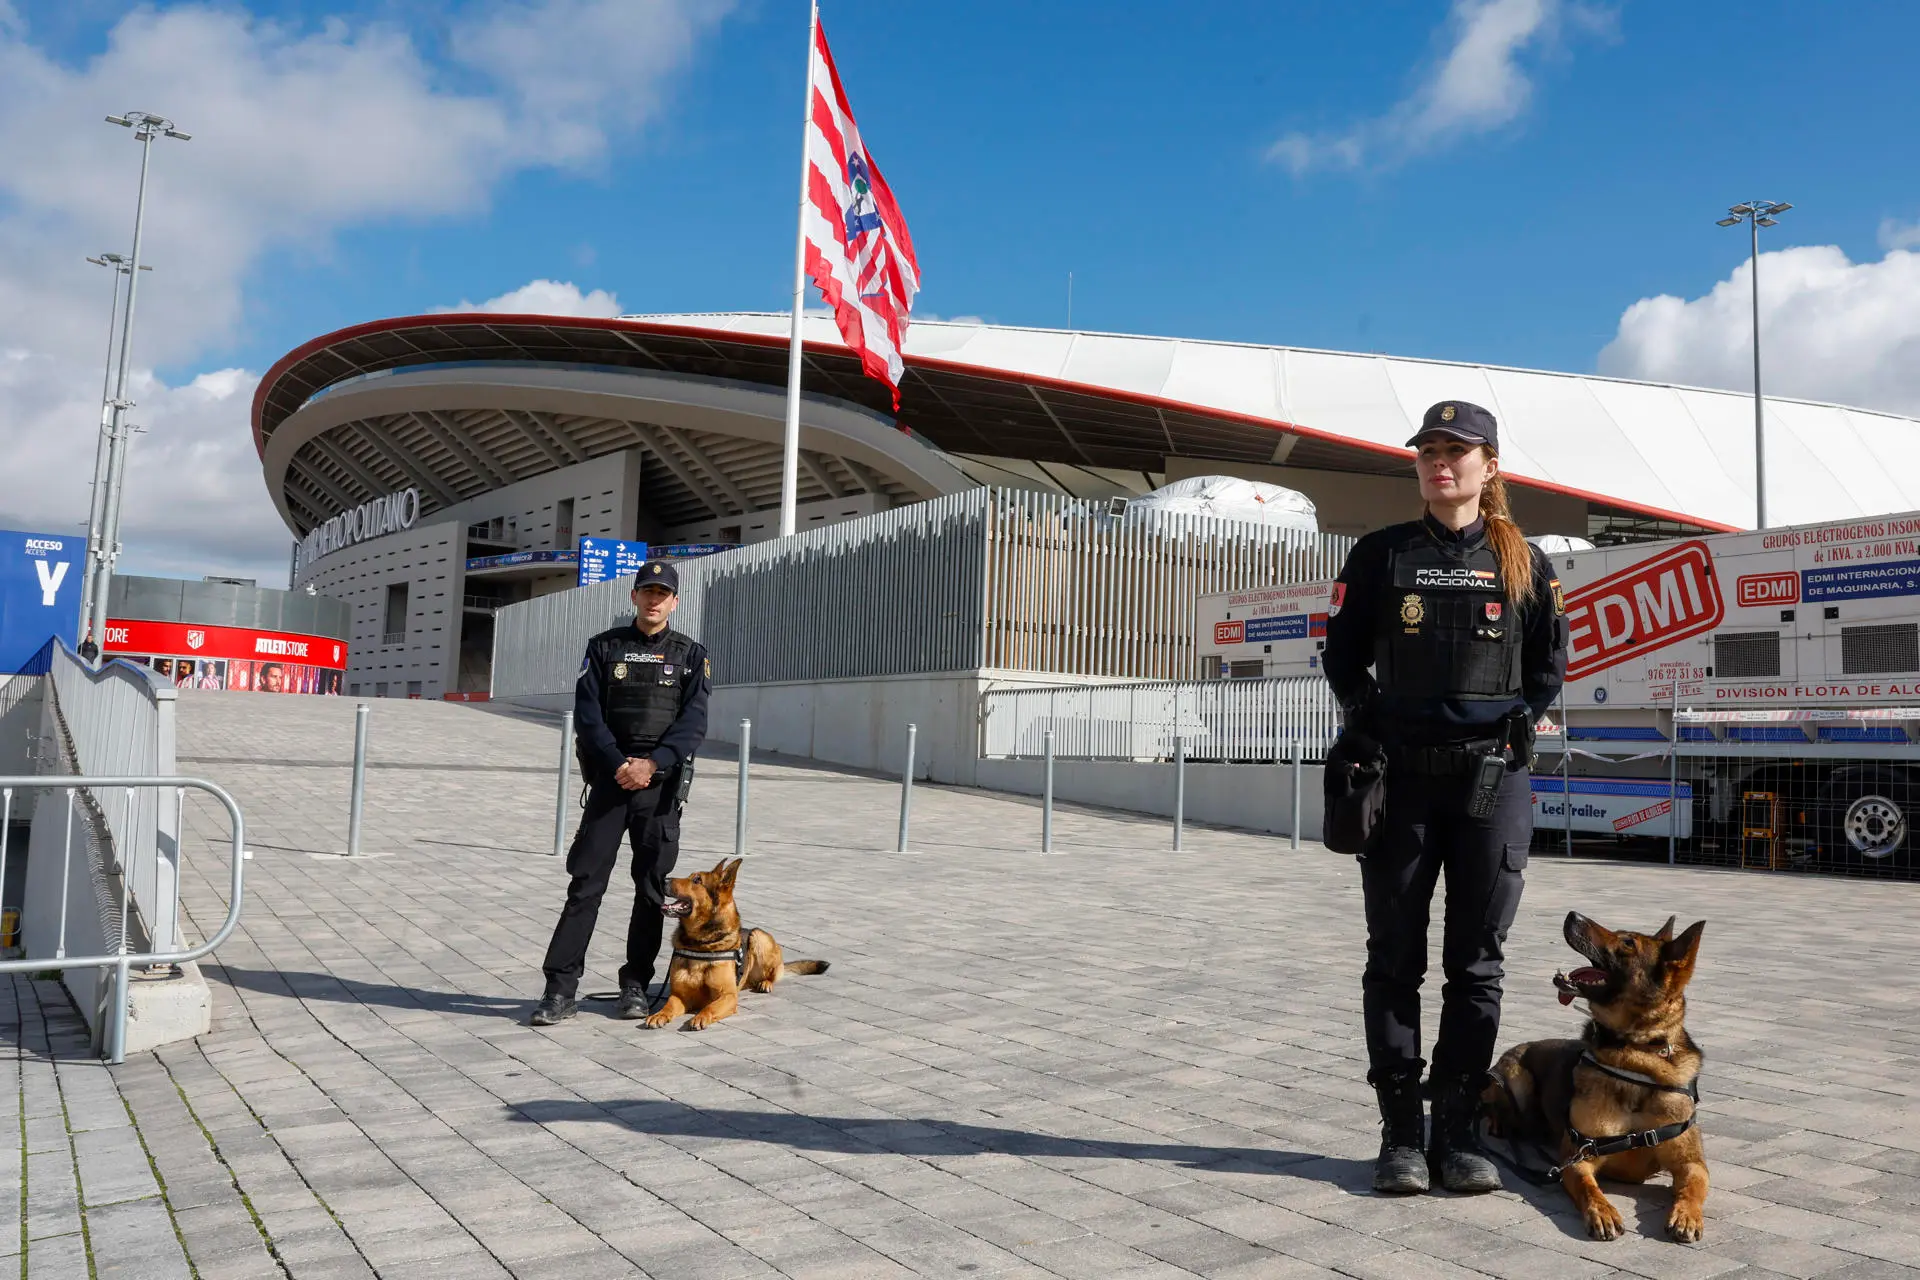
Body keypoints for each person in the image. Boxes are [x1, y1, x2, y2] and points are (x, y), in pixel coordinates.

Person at [1321, 400, 1568, 1196]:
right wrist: (1369, 726)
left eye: (1456, 451)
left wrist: (1514, 729)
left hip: (1492, 786)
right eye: (1428, 450)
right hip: (1403, 785)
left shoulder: (1525, 561)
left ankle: (1457, 1134)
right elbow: (1342, 656)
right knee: (1394, 960)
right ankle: (1401, 1135)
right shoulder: (1382, 554)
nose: (1439, 462)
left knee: (1477, 965)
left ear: (1489, 467)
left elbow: (1547, 668)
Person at [531, 560, 712, 1026]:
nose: (654, 600)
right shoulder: (603, 647)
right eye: (647, 591)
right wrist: (619, 764)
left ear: (674, 602)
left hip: (659, 789)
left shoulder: (691, 655)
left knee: (652, 890)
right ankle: (559, 990)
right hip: (611, 785)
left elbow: (693, 723)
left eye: (662, 594)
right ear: (634, 596)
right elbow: (588, 716)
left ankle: (635, 986)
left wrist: (653, 763)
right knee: (585, 887)